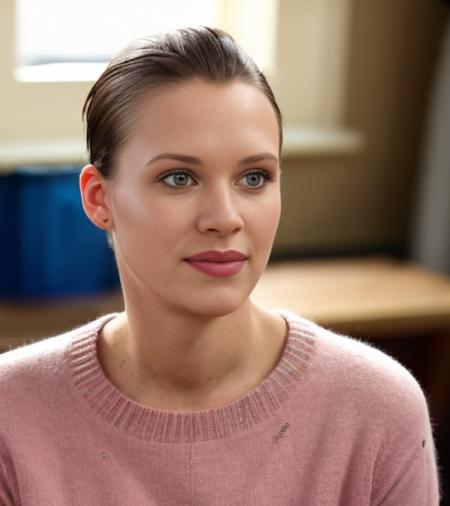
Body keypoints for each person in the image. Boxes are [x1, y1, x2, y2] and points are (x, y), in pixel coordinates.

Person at [0, 26, 441, 505]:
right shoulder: (12, 417)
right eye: (179, 178)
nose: (225, 219)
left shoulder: (378, 410)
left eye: (254, 177)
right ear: (98, 199)